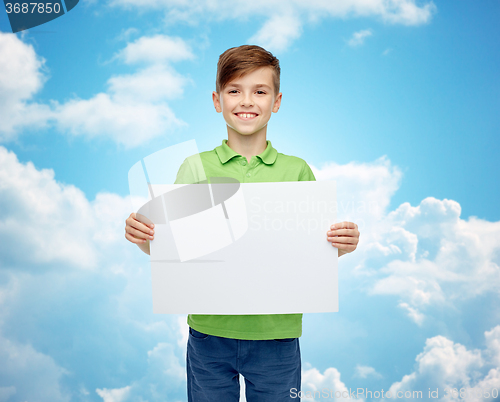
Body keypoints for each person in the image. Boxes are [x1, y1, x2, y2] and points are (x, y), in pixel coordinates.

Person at [125, 45, 360, 402]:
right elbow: (174, 249)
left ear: (276, 101)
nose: (246, 101)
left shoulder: (297, 170)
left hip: (277, 335)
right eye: (234, 90)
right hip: (209, 332)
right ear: (217, 100)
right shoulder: (195, 167)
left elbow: (313, 251)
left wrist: (342, 244)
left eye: (259, 91)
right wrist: (144, 237)